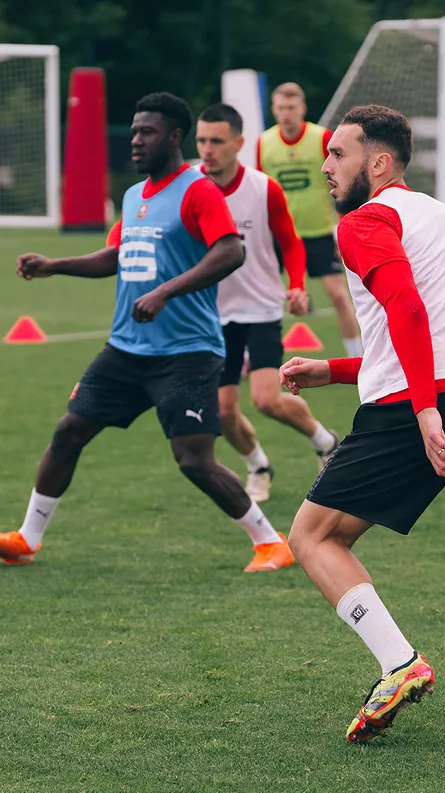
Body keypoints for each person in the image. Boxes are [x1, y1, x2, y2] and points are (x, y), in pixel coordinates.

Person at [0, 91, 295, 575]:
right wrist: (54, 265)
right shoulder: (135, 195)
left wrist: (165, 292)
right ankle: (27, 539)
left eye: (147, 132)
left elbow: (230, 251)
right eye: (134, 131)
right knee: (69, 431)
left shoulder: (198, 190)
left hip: (186, 353)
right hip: (125, 349)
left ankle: (271, 543)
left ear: (174, 137)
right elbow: (115, 256)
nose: (135, 140)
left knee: (194, 461)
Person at [281, 104, 445, 742]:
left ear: (380, 162)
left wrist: (425, 411)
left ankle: (399, 664)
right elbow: (436, 334)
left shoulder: (365, 221)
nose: (326, 165)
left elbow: (408, 310)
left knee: (314, 536)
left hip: (410, 413)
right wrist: (337, 370)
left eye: (339, 154)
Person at [194, 103, 339, 503]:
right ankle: (258, 465)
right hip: (212, 315)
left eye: (217, 141)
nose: (207, 149)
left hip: (260, 308)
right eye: (202, 140)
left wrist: (297, 285)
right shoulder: (189, 187)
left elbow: (291, 242)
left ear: (238, 143)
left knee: (267, 399)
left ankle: (324, 440)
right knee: (223, 411)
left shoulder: (263, 188)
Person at [257, 82, 362, 358]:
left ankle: (357, 358)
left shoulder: (322, 138)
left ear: (302, 108)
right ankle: (250, 356)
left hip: (318, 233)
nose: (286, 113)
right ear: (274, 110)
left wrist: (343, 228)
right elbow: (259, 191)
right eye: (281, 108)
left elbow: (343, 183)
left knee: (338, 295)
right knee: (260, 296)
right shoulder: (264, 142)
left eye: (291, 107)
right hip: (279, 235)